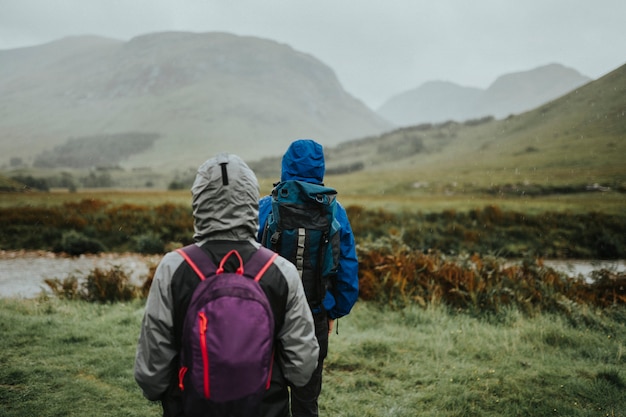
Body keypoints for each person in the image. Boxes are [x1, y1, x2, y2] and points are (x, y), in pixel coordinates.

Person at [135, 153, 320, 417]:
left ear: (199, 200)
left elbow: (151, 375)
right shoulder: (282, 271)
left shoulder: (173, 267)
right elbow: (302, 369)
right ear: (251, 201)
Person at [257, 139, 359, 417]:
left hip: (268, 318)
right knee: (306, 399)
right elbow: (347, 271)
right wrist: (333, 311)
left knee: (268, 398)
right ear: (320, 168)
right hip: (313, 316)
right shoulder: (335, 211)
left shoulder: (265, 207)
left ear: (285, 166)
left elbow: (246, 261)